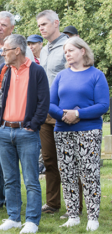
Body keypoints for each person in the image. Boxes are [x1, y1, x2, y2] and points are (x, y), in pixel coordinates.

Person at [0, 34, 49, 234]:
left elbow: (43, 102)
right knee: (10, 179)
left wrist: (32, 125)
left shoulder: (37, 71)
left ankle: (32, 220)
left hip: (27, 133)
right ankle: (14, 218)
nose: (2, 53)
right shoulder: (3, 70)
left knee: (31, 179)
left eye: (6, 50)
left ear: (17, 51)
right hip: (4, 131)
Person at [49, 37, 109, 231]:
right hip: (62, 130)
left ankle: (93, 216)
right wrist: (64, 115)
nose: (67, 54)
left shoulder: (96, 75)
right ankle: (73, 214)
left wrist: (78, 114)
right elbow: (50, 104)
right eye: (65, 51)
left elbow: (103, 105)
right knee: (67, 173)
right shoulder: (61, 76)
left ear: (83, 51)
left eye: (71, 50)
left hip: (88, 130)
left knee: (89, 173)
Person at [0, 11, 35, 210]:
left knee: (17, 164)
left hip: (15, 113)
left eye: (4, 25)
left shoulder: (23, 50)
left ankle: (12, 200)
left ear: (12, 28)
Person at [37, 10, 85, 219]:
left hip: (66, 112)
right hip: (46, 111)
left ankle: (77, 206)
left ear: (56, 23)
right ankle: (53, 203)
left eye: (45, 24)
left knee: (71, 161)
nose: (41, 28)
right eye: (39, 25)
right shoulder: (44, 50)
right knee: (49, 160)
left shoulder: (69, 46)